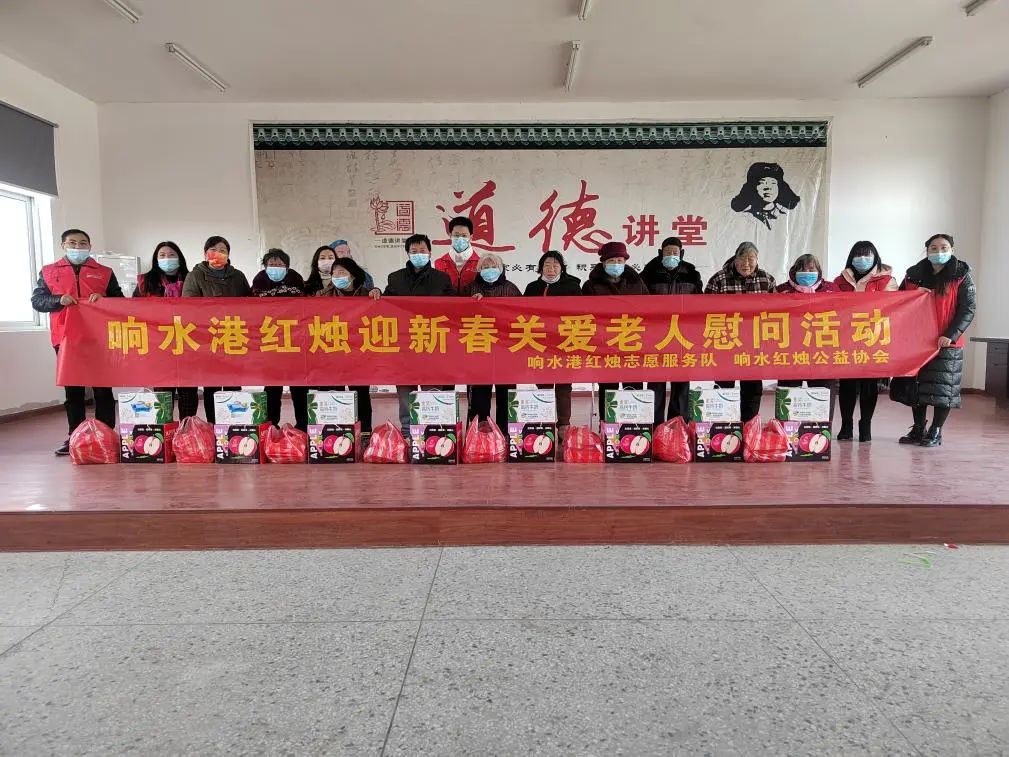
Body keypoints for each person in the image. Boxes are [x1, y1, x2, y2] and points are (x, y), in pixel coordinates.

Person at [31, 228, 124, 456]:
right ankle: (75, 436)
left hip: (99, 338)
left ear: (89, 246)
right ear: (63, 245)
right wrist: (58, 300)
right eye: (72, 243)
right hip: (65, 338)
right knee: (73, 390)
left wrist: (104, 300)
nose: (78, 247)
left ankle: (106, 434)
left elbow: (120, 301)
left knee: (103, 388)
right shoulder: (49, 271)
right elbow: (37, 301)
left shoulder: (104, 272)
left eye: (83, 243)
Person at [897, 234, 976, 447]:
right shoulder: (913, 275)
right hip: (917, 342)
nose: (939, 252)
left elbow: (968, 309)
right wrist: (913, 296)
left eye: (944, 247)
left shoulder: (961, 275)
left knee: (944, 389)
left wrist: (951, 334)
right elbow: (897, 302)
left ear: (952, 249)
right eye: (934, 248)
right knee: (917, 388)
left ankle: (936, 430)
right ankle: (918, 428)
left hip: (947, 342)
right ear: (927, 250)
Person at [384, 234, 456, 433]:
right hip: (404, 343)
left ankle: (432, 429)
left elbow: (454, 307)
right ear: (407, 253)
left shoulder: (441, 278)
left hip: (432, 342)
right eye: (414, 251)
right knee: (405, 392)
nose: (418, 254)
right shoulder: (395, 278)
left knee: (432, 391)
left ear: (430, 252)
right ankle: (408, 432)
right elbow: (385, 306)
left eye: (422, 251)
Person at [181, 236, 252, 423]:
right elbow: (189, 307)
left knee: (233, 384)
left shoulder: (238, 276)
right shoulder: (195, 276)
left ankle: (233, 424)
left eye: (222, 250)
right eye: (213, 249)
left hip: (233, 337)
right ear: (205, 253)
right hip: (208, 339)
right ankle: (214, 425)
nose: (217, 254)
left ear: (228, 255)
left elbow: (250, 304)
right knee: (211, 386)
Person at [704, 242, 777, 422]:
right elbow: (704, 310)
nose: (746, 264)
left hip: (755, 344)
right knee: (724, 385)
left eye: (751, 259)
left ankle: (748, 425)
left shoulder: (767, 280)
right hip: (726, 342)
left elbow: (777, 313)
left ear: (757, 260)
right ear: (735, 259)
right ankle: (724, 424)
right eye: (742, 259)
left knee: (752, 387)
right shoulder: (719, 279)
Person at [833, 241, 898, 441]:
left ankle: (865, 425)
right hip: (846, 340)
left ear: (875, 257)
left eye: (867, 254)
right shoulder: (839, 281)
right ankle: (846, 425)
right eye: (858, 254)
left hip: (873, 340)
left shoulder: (887, 281)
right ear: (851, 258)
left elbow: (895, 307)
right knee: (847, 385)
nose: (862, 259)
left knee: (869, 385)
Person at [583, 241, 649, 420]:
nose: (616, 264)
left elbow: (649, 308)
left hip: (632, 342)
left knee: (633, 385)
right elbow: (585, 315)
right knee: (608, 387)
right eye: (612, 261)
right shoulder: (591, 285)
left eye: (620, 261)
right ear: (604, 263)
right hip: (605, 344)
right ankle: (607, 424)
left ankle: (634, 424)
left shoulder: (637, 283)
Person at [132, 241, 199, 420]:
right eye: (162, 255)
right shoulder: (145, 281)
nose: (167, 259)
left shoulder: (192, 278)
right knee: (163, 391)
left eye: (171, 255)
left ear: (179, 258)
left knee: (188, 392)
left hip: (187, 342)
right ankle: (164, 429)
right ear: (156, 259)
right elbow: (134, 309)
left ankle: (188, 428)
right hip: (158, 344)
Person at [641, 236, 704, 423]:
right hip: (656, 336)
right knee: (656, 382)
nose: (671, 255)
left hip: (683, 336)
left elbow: (700, 303)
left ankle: (679, 424)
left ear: (681, 254)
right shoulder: (649, 273)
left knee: (681, 382)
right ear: (660, 253)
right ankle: (655, 424)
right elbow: (639, 303)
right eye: (667, 252)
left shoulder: (691, 273)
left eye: (675, 252)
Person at [775, 253, 838, 425]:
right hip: (790, 352)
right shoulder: (781, 291)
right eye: (802, 269)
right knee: (788, 393)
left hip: (822, 352)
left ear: (819, 271)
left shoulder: (832, 289)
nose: (807, 273)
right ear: (794, 271)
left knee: (823, 393)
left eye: (811, 269)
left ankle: (822, 431)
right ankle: (785, 431)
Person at [317, 256, 376, 438]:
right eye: (334, 273)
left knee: (361, 394)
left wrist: (377, 293)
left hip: (359, 354)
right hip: (332, 353)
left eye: (342, 272)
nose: (337, 276)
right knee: (333, 393)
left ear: (353, 275)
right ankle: (334, 433)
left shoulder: (367, 295)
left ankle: (364, 433)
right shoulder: (322, 296)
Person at [524, 251, 581, 437]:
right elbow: (521, 312)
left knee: (564, 385)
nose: (551, 269)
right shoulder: (532, 287)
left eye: (556, 265)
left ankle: (564, 424)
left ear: (562, 268)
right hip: (539, 342)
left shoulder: (573, 287)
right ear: (541, 268)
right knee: (543, 383)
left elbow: (582, 314)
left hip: (566, 342)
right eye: (547, 265)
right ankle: (545, 420)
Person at [251, 248, 309, 431]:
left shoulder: (296, 279)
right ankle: (271, 424)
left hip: (295, 339)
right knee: (272, 386)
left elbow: (306, 306)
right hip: (270, 339)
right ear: (265, 266)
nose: (275, 267)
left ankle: (303, 424)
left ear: (287, 266)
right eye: (271, 264)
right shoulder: (259, 281)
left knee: (299, 385)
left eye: (279, 264)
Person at [464, 254, 521, 431]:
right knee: (479, 393)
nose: (490, 270)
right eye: (485, 266)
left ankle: (505, 431)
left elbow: (522, 315)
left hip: (505, 350)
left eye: (494, 266)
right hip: (478, 347)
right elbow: (457, 315)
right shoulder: (470, 288)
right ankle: (480, 431)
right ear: (479, 269)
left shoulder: (511, 289)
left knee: (506, 393)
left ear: (501, 269)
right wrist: (470, 303)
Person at [730, 162, 800, 230]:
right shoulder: (744, 217)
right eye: (762, 183)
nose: (768, 188)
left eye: (773, 183)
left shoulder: (785, 217)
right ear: (754, 188)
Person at [434, 216, 480, 294]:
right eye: (456, 235)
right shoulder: (439, 263)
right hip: (447, 301)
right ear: (450, 235)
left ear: (471, 237)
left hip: (471, 302)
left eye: (464, 236)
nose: (460, 239)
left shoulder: (480, 263)